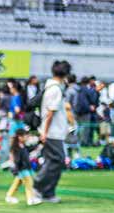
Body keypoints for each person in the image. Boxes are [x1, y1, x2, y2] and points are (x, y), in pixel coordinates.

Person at [34, 60, 74, 204]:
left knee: (53, 160)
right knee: (57, 160)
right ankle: (39, 187)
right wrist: (44, 132)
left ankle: (47, 192)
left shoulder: (52, 87)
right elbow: (50, 113)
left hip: (52, 131)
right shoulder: (55, 89)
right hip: (52, 132)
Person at [3, 128, 39, 206]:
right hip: (21, 169)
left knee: (17, 183)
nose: (26, 138)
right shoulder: (16, 147)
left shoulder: (23, 145)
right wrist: (17, 169)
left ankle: (9, 196)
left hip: (26, 168)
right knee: (29, 183)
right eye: (25, 136)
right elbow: (16, 160)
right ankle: (30, 199)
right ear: (20, 137)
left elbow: (28, 151)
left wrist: (38, 144)